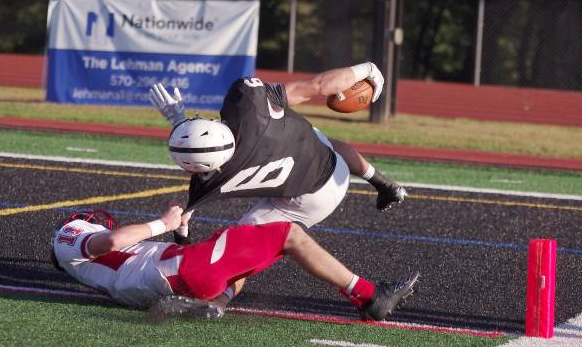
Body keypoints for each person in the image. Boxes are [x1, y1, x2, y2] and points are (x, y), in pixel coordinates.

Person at [148, 62, 407, 244]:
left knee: (239, 242)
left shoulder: (209, 179)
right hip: (329, 163)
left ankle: (221, 298)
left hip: (311, 197)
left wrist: (182, 241)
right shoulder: (248, 102)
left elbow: (183, 221)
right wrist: (368, 69)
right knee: (317, 139)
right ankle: (383, 183)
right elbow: (318, 85)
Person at [50, 207, 419, 321]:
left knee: (244, 259)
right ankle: (370, 296)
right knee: (287, 234)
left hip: (178, 278)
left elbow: (137, 256)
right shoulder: (68, 234)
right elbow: (111, 241)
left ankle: (216, 304)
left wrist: (179, 232)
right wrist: (162, 222)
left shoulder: (89, 269)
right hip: (178, 272)